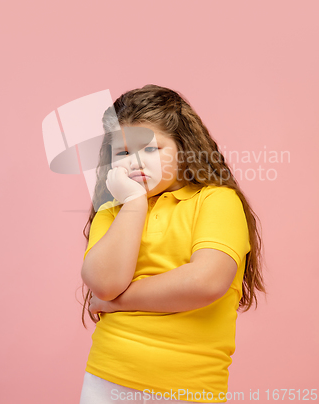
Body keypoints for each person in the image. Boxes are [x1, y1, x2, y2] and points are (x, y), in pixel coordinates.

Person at [79, 84, 267, 403]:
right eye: (124, 152)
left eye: (151, 149)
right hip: (106, 377)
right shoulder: (113, 212)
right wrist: (135, 205)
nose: (135, 162)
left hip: (188, 387)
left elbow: (205, 282)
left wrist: (118, 303)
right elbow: (104, 284)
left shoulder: (217, 201)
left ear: (184, 148)